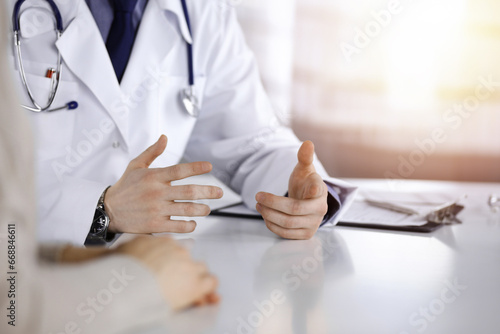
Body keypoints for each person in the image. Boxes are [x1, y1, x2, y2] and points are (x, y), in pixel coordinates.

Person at [6, 0, 356, 245]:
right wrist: (101, 211)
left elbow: (251, 142)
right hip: (21, 278)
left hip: (148, 276)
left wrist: (298, 193)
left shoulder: (201, 11)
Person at [0, 4, 219, 332]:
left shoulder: (202, 12)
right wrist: (146, 283)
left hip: (108, 255)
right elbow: (13, 310)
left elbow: (255, 139)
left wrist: (305, 190)